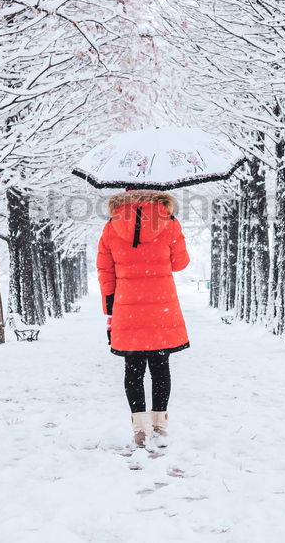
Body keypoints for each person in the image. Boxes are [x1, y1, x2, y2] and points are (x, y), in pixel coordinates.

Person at [96, 189, 190, 448]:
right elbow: (180, 263)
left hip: (128, 306)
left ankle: (140, 428)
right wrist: (174, 229)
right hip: (162, 307)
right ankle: (160, 425)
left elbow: (105, 270)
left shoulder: (111, 227)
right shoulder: (168, 222)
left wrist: (110, 309)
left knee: (134, 369)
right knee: (160, 368)